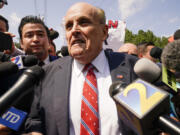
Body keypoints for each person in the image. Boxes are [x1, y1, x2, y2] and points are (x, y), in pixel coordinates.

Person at [25, 2, 138, 135]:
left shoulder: (134, 67)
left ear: (104, 32)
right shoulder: (47, 73)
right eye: (68, 26)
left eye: (83, 23)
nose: (74, 30)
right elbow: (34, 120)